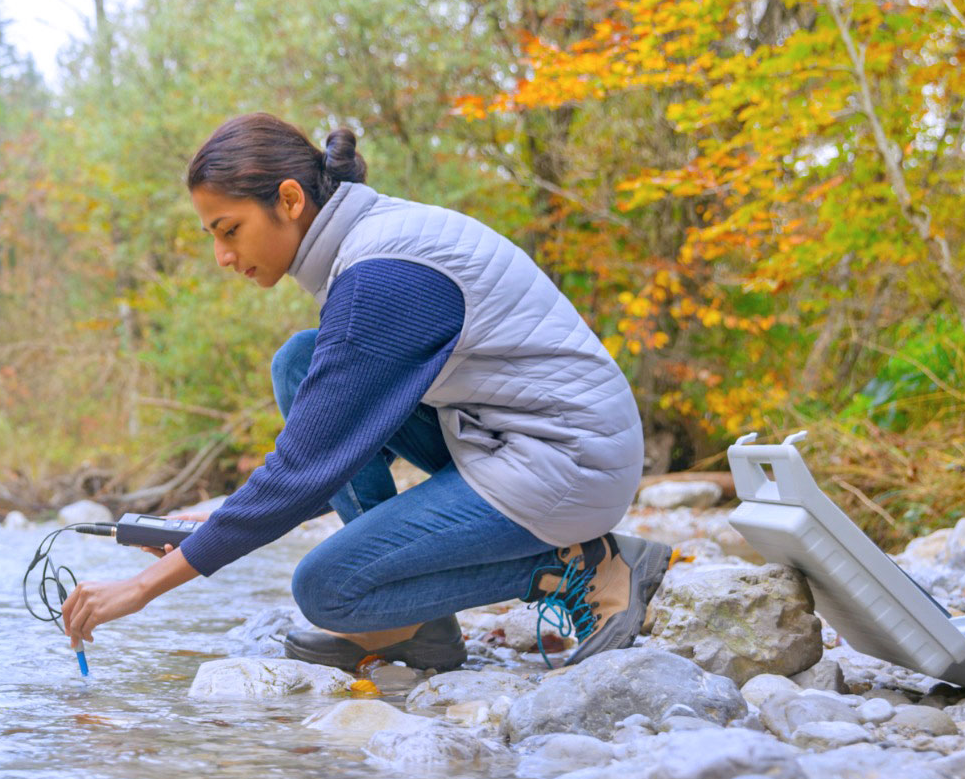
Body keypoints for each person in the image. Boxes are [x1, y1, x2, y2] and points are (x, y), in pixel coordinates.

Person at [58, 112, 671, 671]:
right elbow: (327, 451)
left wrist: (144, 586)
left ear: (290, 200)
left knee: (327, 589)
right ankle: (415, 623)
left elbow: (304, 470)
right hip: (502, 435)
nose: (222, 255)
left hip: (566, 461)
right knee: (300, 362)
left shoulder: (381, 275)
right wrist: (219, 515)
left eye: (229, 230)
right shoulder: (368, 245)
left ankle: (578, 567)